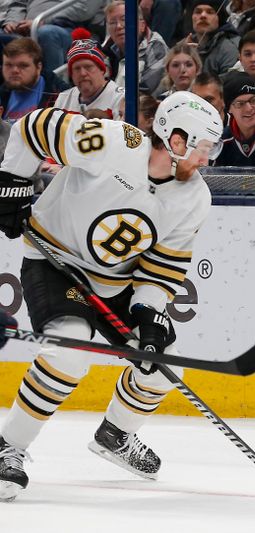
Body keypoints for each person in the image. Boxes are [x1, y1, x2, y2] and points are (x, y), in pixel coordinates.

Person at [0, 91, 223, 502]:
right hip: (55, 261)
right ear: (176, 141)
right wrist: (12, 182)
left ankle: (115, 435)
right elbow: (33, 128)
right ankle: (7, 446)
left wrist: (150, 313)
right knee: (69, 351)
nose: (207, 159)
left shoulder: (195, 197)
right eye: (204, 148)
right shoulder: (113, 142)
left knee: (160, 365)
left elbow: (162, 267)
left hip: (115, 283)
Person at [100, 0, 168, 96]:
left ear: (142, 25)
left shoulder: (156, 48)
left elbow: (145, 93)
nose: (118, 26)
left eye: (124, 19)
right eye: (112, 22)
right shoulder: (105, 52)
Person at [0, 37, 68, 123]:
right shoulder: (2, 95)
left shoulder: (60, 96)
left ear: (38, 67)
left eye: (23, 65)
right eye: (8, 65)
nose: (14, 70)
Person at [54, 38, 125, 119]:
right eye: (77, 68)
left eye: (88, 67)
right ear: (72, 75)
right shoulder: (63, 99)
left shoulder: (120, 98)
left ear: (102, 70)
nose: (82, 73)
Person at [182, 0, 240, 76]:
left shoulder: (230, 48)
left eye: (210, 12)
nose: (203, 15)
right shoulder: (183, 45)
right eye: (198, 12)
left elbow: (227, 84)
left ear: (219, 19)